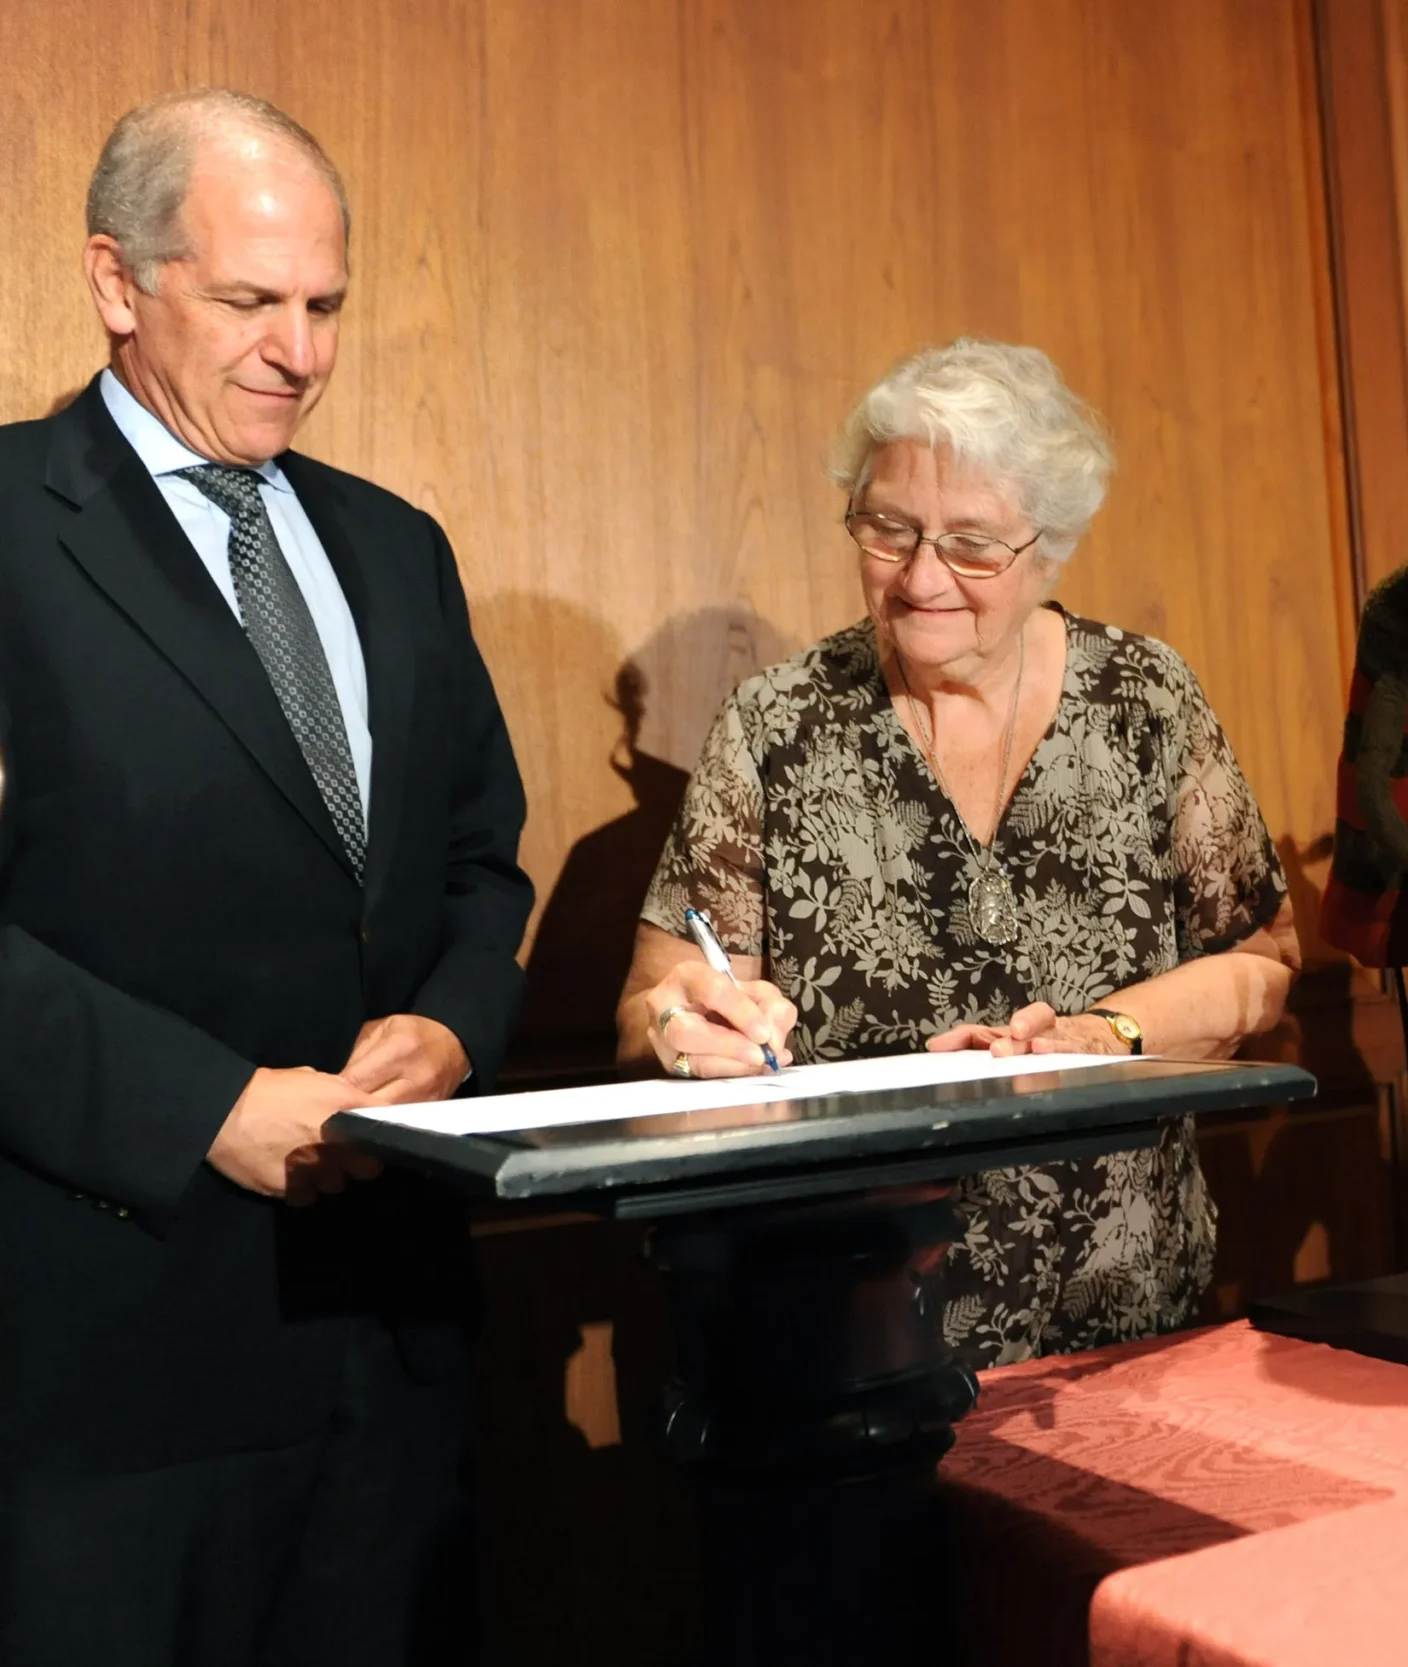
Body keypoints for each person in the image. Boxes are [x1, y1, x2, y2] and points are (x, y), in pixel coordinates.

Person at [0, 91, 532, 1662]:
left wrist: (451, 1030)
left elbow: (477, 863)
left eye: (324, 307)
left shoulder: (396, 544)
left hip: (392, 1350)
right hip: (114, 1364)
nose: (297, 349)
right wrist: (204, 1107)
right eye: (249, 302)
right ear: (116, 281)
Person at [621, 338, 1297, 1369]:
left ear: (1049, 546)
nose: (922, 575)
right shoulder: (776, 724)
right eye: (890, 529)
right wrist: (683, 1026)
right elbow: (654, 1001)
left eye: (972, 544)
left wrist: (1099, 1030)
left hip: (1125, 1321)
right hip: (844, 1327)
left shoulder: (1145, 701)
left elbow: (1261, 962)